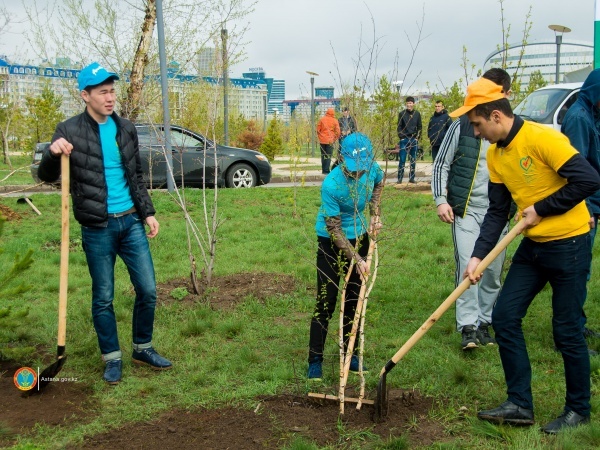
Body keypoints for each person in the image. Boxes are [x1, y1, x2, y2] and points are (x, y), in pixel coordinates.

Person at [453, 77, 600, 433]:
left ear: (497, 116)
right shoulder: (496, 153)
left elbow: (588, 179)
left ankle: (578, 410)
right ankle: (520, 403)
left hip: (570, 244)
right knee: (504, 318)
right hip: (533, 247)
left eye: (477, 124)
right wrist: (477, 256)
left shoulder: (542, 138)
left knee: (567, 330)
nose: (475, 133)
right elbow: (496, 212)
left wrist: (542, 208)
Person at [38, 62, 172, 385]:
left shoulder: (125, 128)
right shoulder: (68, 131)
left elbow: (135, 177)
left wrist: (148, 212)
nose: (110, 98)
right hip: (97, 228)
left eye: (112, 91)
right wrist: (52, 153)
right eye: (103, 92)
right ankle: (112, 358)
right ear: (85, 95)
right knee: (104, 296)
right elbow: (45, 175)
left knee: (149, 289)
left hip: (130, 222)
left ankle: (142, 346)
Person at [432, 68, 512, 351]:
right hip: (466, 210)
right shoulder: (463, 125)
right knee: (469, 266)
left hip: (498, 213)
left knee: (491, 271)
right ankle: (468, 325)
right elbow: (441, 163)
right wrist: (441, 199)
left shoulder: (511, 130)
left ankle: (485, 321)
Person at [307, 132, 384, 380]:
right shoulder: (332, 184)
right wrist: (357, 259)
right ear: (341, 159)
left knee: (355, 299)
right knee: (326, 300)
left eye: (362, 168)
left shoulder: (372, 169)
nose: (358, 173)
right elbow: (334, 230)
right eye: (353, 168)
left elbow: (380, 182)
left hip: (359, 236)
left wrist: (374, 212)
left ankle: (351, 356)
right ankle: (315, 360)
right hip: (331, 241)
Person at [561, 68, 600, 341]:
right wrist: (584, 209)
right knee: (577, 272)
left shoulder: (592, 114)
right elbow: (576, 171)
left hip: (593, 204)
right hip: (583, 208)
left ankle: (577, 323)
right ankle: (570, 331)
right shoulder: (578, 118)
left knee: (583, 269)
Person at [396, 96, 422, 184]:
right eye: (407, 103)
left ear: (413, 104)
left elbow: (420, 127)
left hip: (413, 139)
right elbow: (399, 127)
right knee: (402, 159)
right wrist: (401, 137)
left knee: (413, 160)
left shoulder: (417, 114)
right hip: (404, 140)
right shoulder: (402, 114)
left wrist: (417, 137)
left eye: (410, 103)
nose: (409, 105)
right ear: (406, 104)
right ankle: (400, 178)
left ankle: (412, 178)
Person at [316, 108, 341, 175]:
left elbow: (318, 130)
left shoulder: (322, 119)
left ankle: (323, 170)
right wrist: (334, 139)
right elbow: (338, 132)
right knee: (328, 155)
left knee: (323, 155)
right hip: (330, 141)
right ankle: (326, 171)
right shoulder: (335, 121)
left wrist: (320, 137)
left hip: (322, 141)